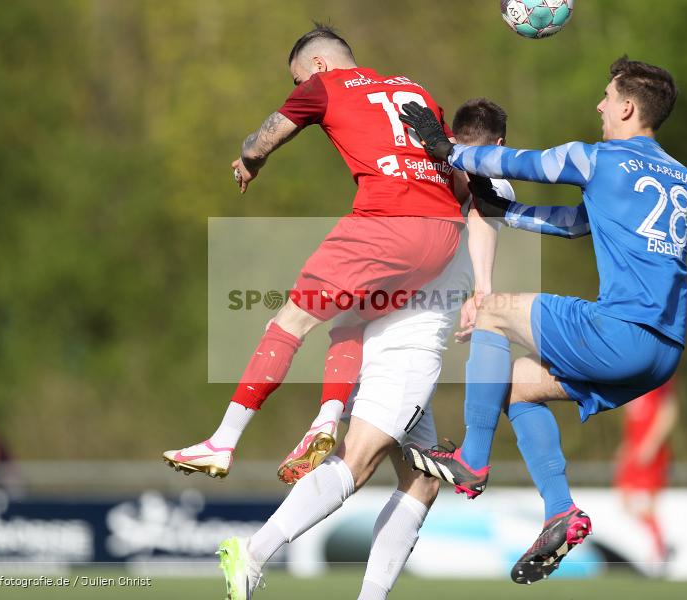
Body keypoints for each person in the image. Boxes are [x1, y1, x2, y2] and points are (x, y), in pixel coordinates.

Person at [399, 56, 687, 584]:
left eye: (607, 97)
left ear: (627, 107)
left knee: (490, 310)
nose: (599, 105)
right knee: (513, 389)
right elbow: (580, 224)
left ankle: (472, 459)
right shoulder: (679, 175)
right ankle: (561, 510)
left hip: (620, 332)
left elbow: (523, 162)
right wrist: (504, 212)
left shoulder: (598, 158)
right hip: (664, 353)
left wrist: (450, 151)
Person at [215, 99, 519, 600]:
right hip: (408, 349)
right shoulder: (490, 180)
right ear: (500, 146)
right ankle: (254, 552)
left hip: (368, 333)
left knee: (421, 481)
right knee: (356, 462)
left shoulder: (425, 171)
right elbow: (486, 197)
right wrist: (484, 292)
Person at [163, 24, 465, 483]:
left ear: (319, 65)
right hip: (443, 234)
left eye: (297, 79)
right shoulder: (413, 88)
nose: (299, 89)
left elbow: (263, 138)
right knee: (351, 321)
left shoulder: (324, 86)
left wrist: (249, 160)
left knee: (288, 322)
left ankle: (223, 440)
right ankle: (326, 419)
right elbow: (455, 168)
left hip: (386, 223)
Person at [615, 376, 678, 572]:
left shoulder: (659, 377)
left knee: (647, 504)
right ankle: (659, 546)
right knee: (625, 502)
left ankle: (658, 551)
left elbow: (669, 411)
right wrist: (626, 447)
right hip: (633, 450)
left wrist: (652, 443)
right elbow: (633, 423)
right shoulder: (630, 381)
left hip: (650, 453)